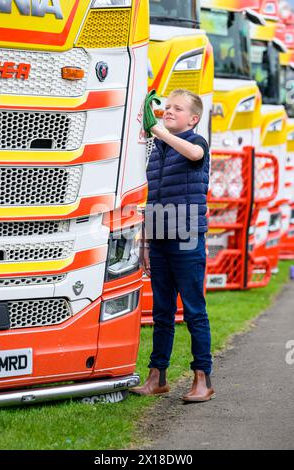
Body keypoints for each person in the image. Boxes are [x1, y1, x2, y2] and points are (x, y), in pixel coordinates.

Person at [131, 89, 215, 402]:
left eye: (177, 109)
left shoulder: (196, 142)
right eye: (166, 107)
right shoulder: (159, 150)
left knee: (194, 310)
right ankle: (158, 377)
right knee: (162, 312)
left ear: (193, 119)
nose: (168, 112)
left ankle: (203, 379)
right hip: (160, 237)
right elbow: (151, 197)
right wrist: (146, 243)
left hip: (187, 237)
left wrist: (160, 132)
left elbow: (194, 156)